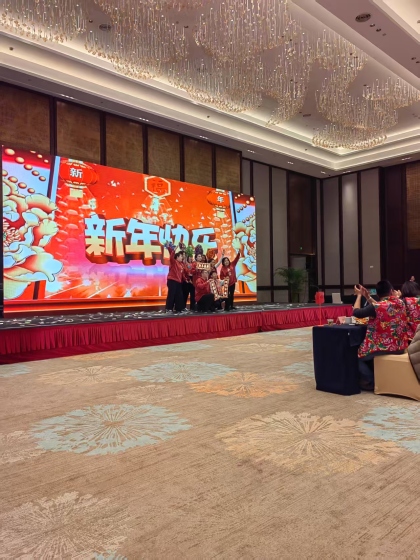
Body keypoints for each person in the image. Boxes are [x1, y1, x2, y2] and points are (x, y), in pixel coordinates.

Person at [352, 280, 409, 390]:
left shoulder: (377, 306)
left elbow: (356, 313)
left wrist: (359, 295)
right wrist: (367, 297)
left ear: (378, 294)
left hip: (383, 347)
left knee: (356, 355)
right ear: (391, 291)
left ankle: (370, 381)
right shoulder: (401, 303)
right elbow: (380, 306)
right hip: (400, 346)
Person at [165, 244, 186, 314]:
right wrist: (175, 249)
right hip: (172, 280)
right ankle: (168, 308)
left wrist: (186, 279)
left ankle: (179, 308)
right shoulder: (174, 262)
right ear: (177, 257)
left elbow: (182, 274)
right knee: (171, 295)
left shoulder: (181, 264)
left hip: (178, 281)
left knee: (179, 295)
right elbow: (171, 256)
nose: (182, 257)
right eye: (181, 256)